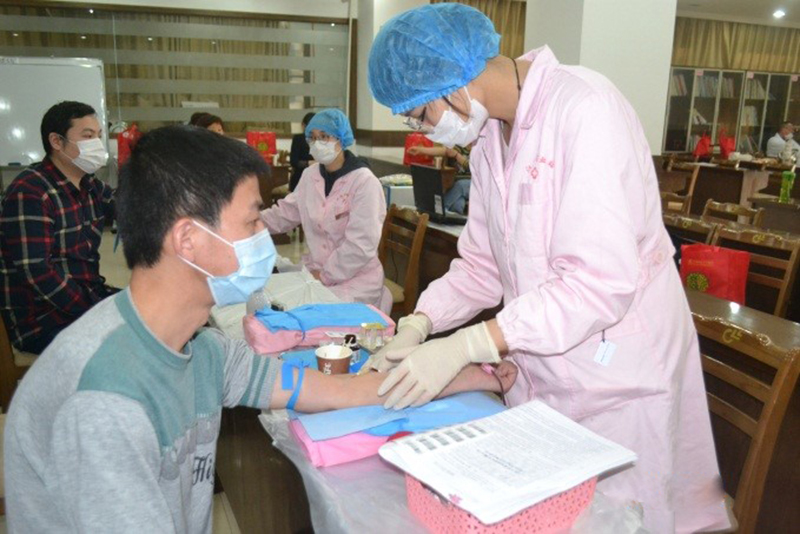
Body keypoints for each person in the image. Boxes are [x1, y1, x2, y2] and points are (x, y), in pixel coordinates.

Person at [3, 125, 517, 533]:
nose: (263, 240)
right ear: (187, 239)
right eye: (251, 223)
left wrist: (466, 373)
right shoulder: (106, 402)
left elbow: (331, 390)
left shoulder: (201, 348)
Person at [366, 4, 730, 533]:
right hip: (545, 367)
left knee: (622, 520)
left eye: (420, 114)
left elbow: (598, 283)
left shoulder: (585, 108)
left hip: (616, 372)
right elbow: (482, 265)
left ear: (453, 80)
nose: (423, 130)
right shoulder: (489, 140)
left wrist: (469, 344)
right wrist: (421, 322)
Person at [0, 101, 116, 355]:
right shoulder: (30, 192)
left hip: (85, 297)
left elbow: (127, 208)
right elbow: (38, 272)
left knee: (159, 315)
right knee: (140, 342)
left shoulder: (89, 184)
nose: (97, 144)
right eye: (87, 136)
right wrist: (96, 311)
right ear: (56, 141)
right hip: (43, 320)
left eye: (98, 136)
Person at [261, 109, 388, 309]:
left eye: (324, 137)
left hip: (356, 280)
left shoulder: (364, 182)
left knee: (305, 313)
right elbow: (285, 213)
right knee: (272, 301)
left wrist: (325, 275)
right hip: (316, 272)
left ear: (341, 139)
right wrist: (250, 223)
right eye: (312, 138)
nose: (317, 143)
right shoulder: (310, 175)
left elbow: (361, 244)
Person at [407, 144, 471, 214]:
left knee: (461, 185)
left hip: (474, 183)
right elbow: (444, 151)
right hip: (455, 184)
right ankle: (451, 218)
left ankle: (441, 210)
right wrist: (420, 150)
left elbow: (473, 168)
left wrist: (457, 156)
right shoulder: (460, 146)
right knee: (458, 204)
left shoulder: (478, 149)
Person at [290, 112, 316, 191]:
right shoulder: (298, 139)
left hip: (316, 177)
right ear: (303, 126)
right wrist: (309, 163)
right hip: (300, 176)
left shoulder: (321, 139)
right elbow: (293, 161)